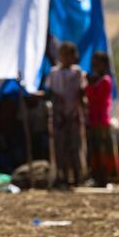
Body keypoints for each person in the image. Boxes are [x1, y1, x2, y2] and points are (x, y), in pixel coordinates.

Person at [46, 41, 86, 187]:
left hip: (74, 116)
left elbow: (81, 94)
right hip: (58, 116)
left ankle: (78, 176)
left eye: (69, 54)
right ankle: (61, 176)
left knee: (75, 146)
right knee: (59, 147)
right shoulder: (54, 73)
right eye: (63, 54)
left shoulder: (78, 73)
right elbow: (50, 92)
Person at [85, 51, 119, 187]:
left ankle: (106, 178)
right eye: (93, 63)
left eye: (97, 63)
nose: (94, 66)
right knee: (95, 150)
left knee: (103, 151)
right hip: (93, 121)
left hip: (102, 122)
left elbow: (94, 97)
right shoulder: (96, 80)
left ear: (104, 65)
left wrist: (89, 85)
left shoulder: (105, 81)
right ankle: (97, 177)